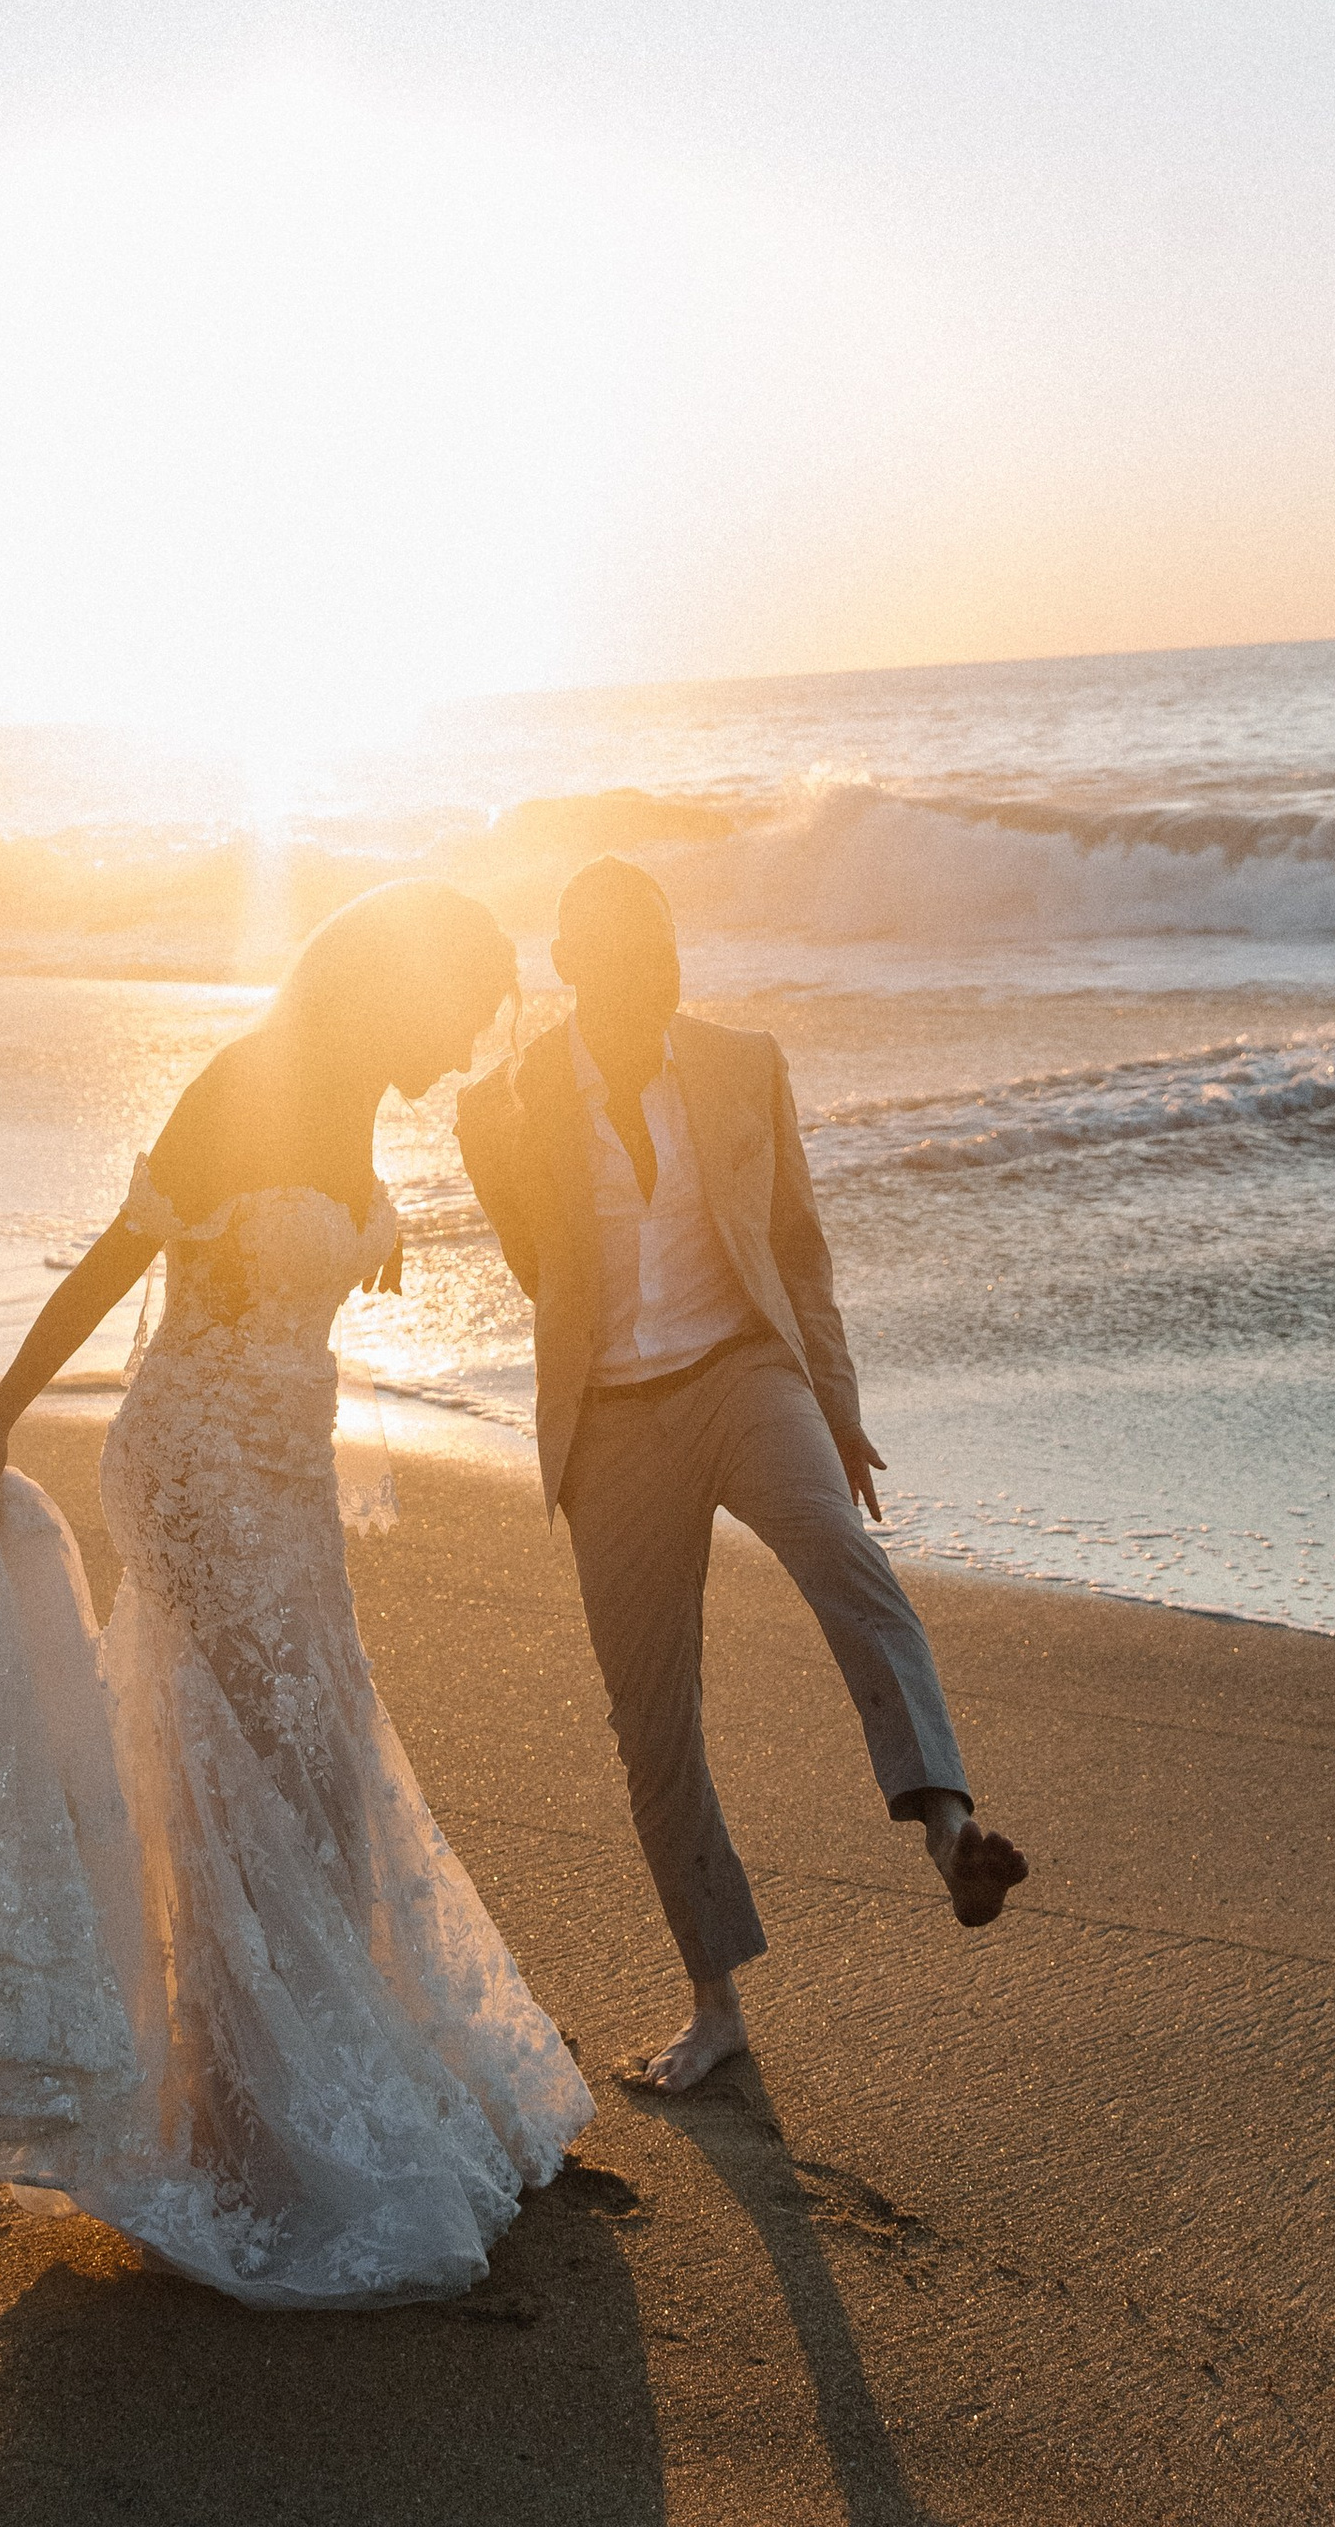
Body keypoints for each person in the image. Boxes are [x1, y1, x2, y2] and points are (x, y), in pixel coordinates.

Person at [0, 879, 591, 2308]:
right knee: (242, 1772)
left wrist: (363, 1229)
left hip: (284, 1475)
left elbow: (286, 1244)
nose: (466, 1047)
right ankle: (238, 2125)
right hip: (198, 1469)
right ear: (399, 989)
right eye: (459, 1013)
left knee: (319, 1773)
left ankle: (319, 2083)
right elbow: (119, 1260)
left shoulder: (357, 1106)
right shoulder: (241, 1084)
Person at [456, 854, 1025, 2094]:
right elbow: (535, 1269)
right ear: (570, 970)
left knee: (844, 1560)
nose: (648, 982)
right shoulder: (511, 1100)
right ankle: (714, 2008)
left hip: (742, 1374)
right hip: (610, 1426)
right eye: (619, 962)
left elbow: (796, 1250)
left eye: (661, 957)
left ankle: (947, 1832)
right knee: (651, 1725)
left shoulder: (740, 1065)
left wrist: (838, 1404)